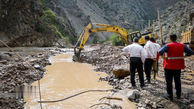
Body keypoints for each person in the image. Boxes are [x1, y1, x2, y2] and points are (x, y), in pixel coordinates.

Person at [159, 34, 193, 100]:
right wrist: (184, 56)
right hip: (178, 66)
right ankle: (178, 95)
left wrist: (164, 58)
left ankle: (170, 96)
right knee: (177, 81)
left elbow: (160, 52)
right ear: (176, 38)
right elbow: (191, 52)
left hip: (168, 66)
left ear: (170, 39)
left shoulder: (168, 45)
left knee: (169, 81)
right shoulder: (182, 45)